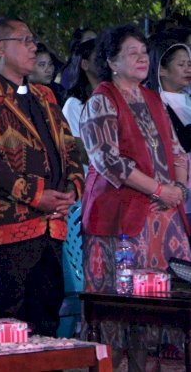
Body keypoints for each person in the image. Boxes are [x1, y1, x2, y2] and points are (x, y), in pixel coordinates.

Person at [0, 17, 84, 337]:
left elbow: (70, 147)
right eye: (25, 41)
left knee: (47, 313)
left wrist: (72, 189)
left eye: (32, 40)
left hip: (52, 223)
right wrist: (36, 195)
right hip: (8, 224)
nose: (33, 47)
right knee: (11, 319)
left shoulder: (45, 95)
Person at [80, 26, 191, 370]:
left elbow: (178, 153)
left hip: (165, 214)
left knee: (169, 300)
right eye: (132, 53)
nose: (142, 58)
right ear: (111, 61)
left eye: (144, 52)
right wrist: (161, 190)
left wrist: (180, 190)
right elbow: (109, 161)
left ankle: (163, 364)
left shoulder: (153, 98)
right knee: (123, 305)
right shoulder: (102, 100)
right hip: (120, 219)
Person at [148, 35, 191, 225]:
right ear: (162, 70)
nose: (188, 69)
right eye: (181, 64)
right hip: (177, 189)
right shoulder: (154, 105)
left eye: (189, 63)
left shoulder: (188, 100)